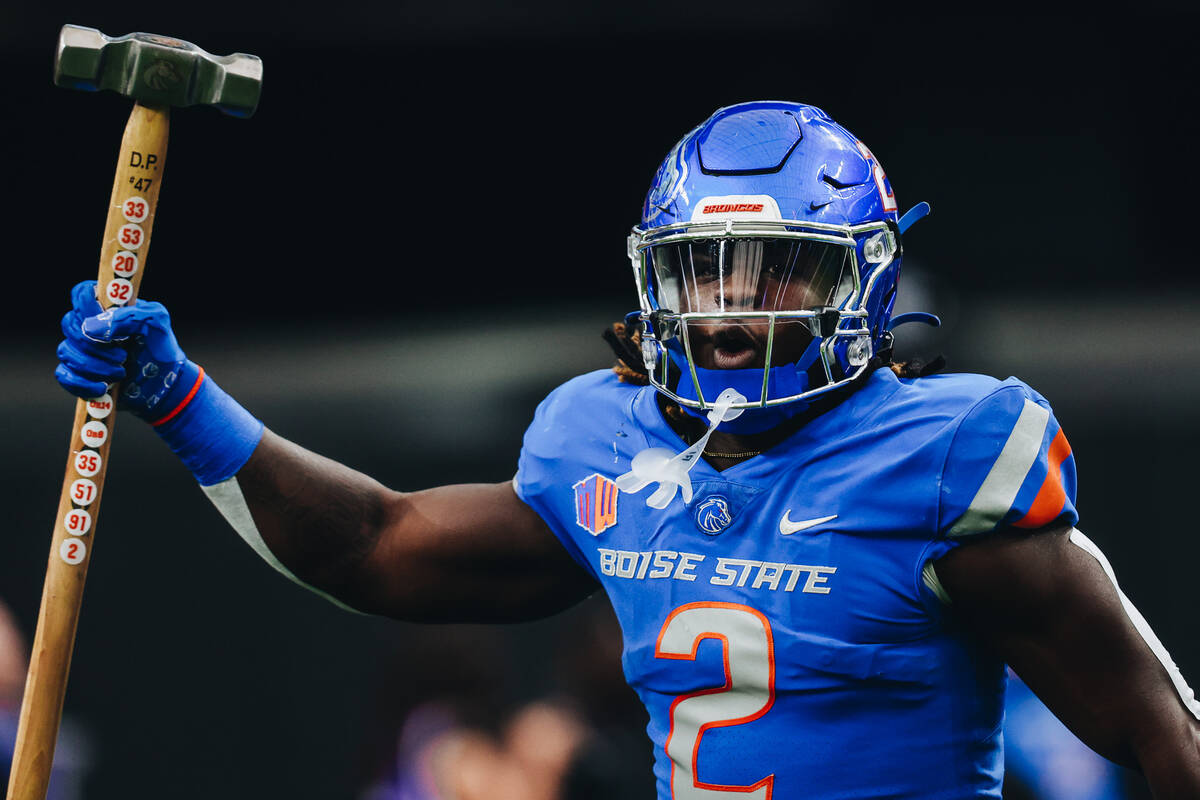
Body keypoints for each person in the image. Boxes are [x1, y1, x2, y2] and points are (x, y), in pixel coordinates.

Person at [54, 101, 1200, 798]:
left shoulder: (940, 457)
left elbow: (1167, 729)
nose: (734, 313)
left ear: (865, 279)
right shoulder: (602, 441)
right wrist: (178, 395)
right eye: (705, 276)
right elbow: (375, 543)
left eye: (780, 273)